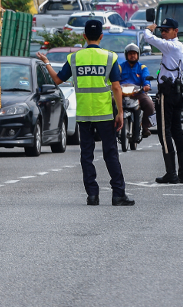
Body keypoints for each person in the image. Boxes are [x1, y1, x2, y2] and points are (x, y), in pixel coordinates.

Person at [38, 20, 134, 207]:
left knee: (86, 155)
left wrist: (47, 62)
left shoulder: (75, 58)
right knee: (110, 153)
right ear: (101, 36)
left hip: (83, 114)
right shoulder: (110, 57)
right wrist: (120, 112)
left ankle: (92, 195)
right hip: (104, 113)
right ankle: (118, 195)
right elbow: (116, 86)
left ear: (84, 36)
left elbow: (57, 79)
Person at [144, 17, 183, 184]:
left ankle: (172, 173)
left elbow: (148, 38)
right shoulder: (180, 47)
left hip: (168, 93)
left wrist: (149, 28)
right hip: (176, 92)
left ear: (175, 31)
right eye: (161, 30)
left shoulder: (171, 46)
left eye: (166, 30)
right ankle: (182, 173)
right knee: (177, 131)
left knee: (164, 132)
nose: (163, 33)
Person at [118, 43, 156, 138]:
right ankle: (111, 126)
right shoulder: (120, 67)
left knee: (149, 104)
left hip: (138, 93)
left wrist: (146, 85)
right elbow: (114, 79)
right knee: (110, 103)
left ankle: (145, 127)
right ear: (126, 55)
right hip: (122, 94)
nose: (132, 55)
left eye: (134, 53)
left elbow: (146, 78)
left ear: (138, 55)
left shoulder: (142, 67)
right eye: (130, 53)